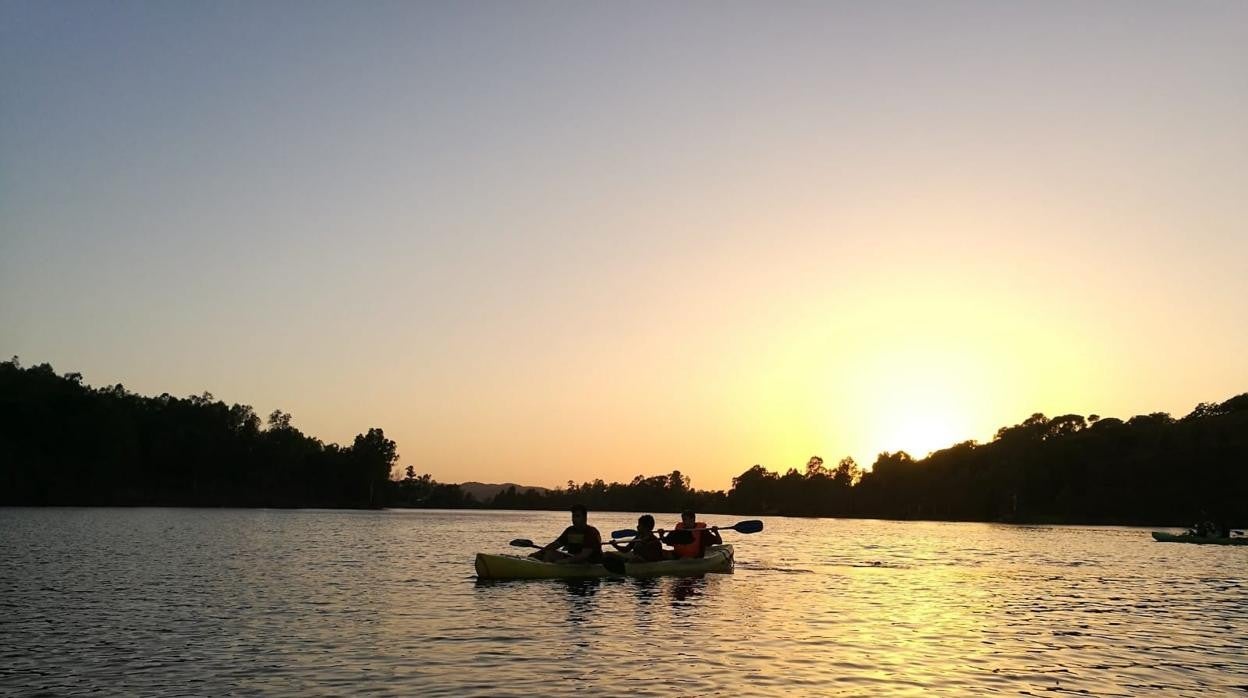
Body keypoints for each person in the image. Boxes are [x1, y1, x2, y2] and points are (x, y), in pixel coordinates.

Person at [531, 504, 603, 564]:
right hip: (573, 559)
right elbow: (555, 545)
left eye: (577, 516)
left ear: (585, 518)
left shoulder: (591, 532)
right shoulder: (570, 530)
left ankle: (546, 569)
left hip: (590, 562)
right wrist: (538, 553)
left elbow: (584, 555)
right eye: (573, 516)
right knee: (549, 553)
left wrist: (566, 561)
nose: (574, 519)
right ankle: (544, 568)